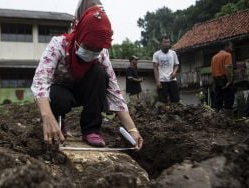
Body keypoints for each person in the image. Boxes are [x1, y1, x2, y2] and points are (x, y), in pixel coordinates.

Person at [31, 0, 143, 149]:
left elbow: (115, 92)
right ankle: (58, 123)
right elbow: (41, 82)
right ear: (79, 36)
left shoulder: (101, 55)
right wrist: (46, 116)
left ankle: (91, 130)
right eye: (88, 46)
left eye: (97, 49)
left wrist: (132, 129)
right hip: (60, 93)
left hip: (85, 92)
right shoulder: (58, 45)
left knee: (99, 74)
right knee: (58, 97)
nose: (92, 51)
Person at [153, 36, 180, 104]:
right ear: (161, 43)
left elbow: (176, 65)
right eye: (165, 42)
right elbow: (155, 68)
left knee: (175, 100)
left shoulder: (173, 53)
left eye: (168, 42)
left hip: (172, 80)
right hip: (162, 81)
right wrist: (157, 81)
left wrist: (174, 72)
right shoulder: (156, 54)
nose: (167, 44)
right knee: (162, 102)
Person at [211, 41, 234, 114]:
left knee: (218, 99)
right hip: (225, 79)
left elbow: (212, 70)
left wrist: (214, 81)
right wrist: (230, 81)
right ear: (226, 46)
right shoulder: (227, 55)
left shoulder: (214, 57)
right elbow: (228, 68)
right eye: (230, 46)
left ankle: (216, 116)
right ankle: (227, 118)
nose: (232, 48)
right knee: (229, 98)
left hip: (216, 79)